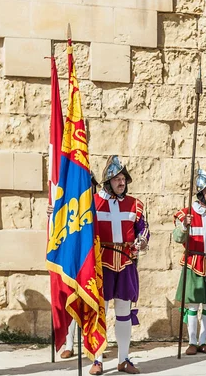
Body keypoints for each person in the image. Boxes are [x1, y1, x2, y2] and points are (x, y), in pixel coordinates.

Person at [90, 156, 149, 375]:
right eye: (116, 178)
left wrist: (142, 240)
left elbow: (144, 228)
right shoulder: (94, 202)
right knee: (100, 312)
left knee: (123, 312)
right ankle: (97, 359)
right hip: (101, 264)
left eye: (123, 178)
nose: (121, 182)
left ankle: (123, 359)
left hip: (125, 263)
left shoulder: (135, 204)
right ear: (107, 181)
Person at [173, 169, 206, 355]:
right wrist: (184, 226)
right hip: (193, 262)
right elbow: (178, 238)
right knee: (193, 304)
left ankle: (204, 341)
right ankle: (192, 341)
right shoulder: (185, 214)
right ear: (200, 193)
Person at [48, 172, 99, 360]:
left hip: (93, 260)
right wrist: (54, 214)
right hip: (72, 259)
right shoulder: (69, 203)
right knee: (71, 299)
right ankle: (69, 344)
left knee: (91, 304)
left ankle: (91, 343)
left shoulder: (99, 203)